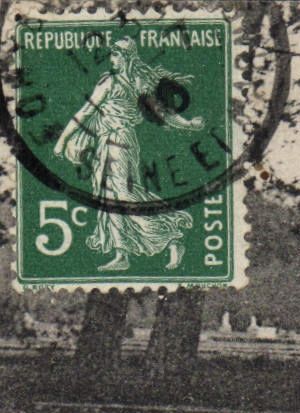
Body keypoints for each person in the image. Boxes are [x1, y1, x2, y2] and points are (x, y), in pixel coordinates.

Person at [53, 38, 204, 272]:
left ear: (127, 57)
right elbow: (85, 112)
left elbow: (161, 112)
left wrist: (188, 124)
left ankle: (171, 238)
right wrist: (62, 141)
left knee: (122, 195)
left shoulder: (127, 83)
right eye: (112, 55)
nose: (112, 59)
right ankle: (122, 254)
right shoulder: (114, 81)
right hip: (109, 143)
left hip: (119, 142)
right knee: (111, 196)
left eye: (116, 55)